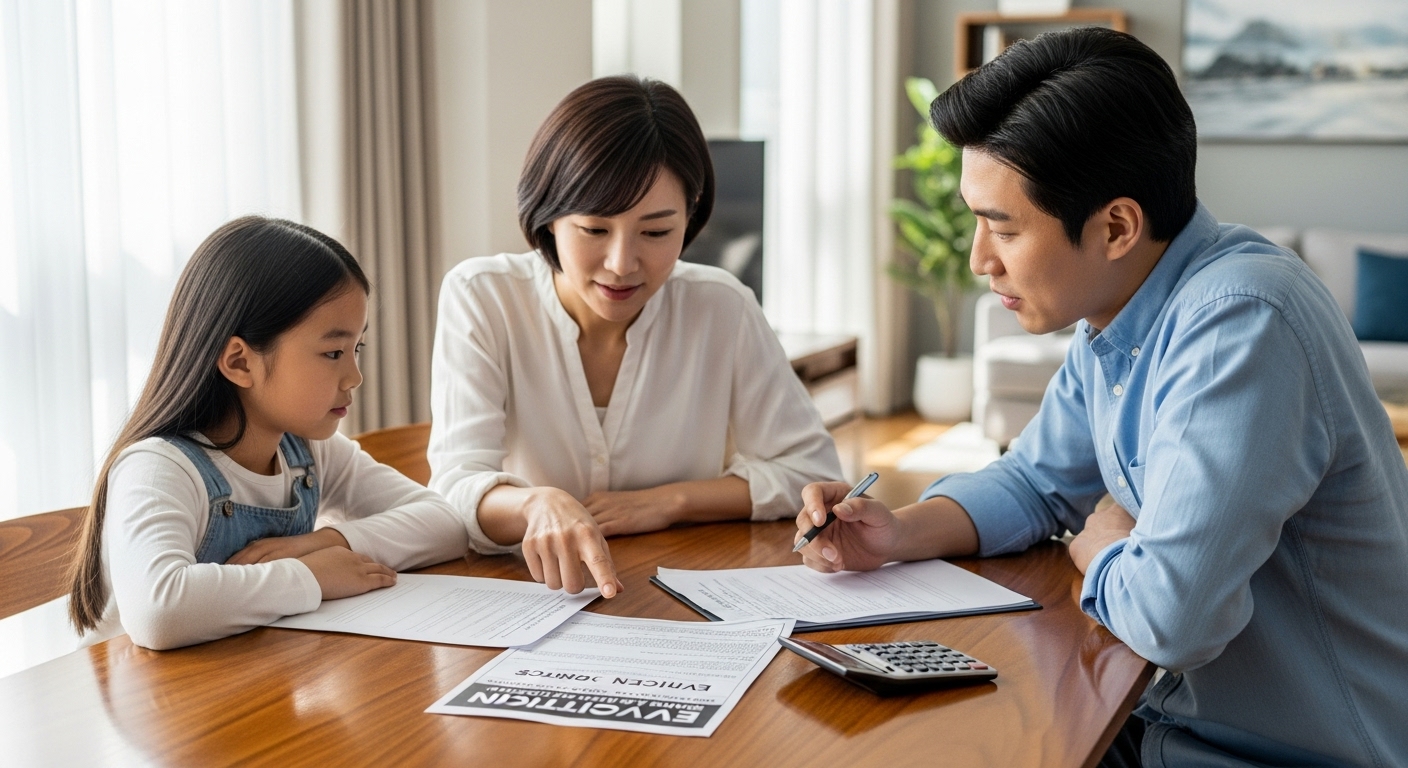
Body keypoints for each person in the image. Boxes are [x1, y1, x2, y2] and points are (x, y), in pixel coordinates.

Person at [793, 28, 1408, 768]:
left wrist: (1106, 548)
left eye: (1002, 227)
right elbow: (1037, 481)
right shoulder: (1118, 318)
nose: (978, 259)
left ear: (1116, 226)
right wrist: (898, 533)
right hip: (1161, 722)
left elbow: (1173, 617)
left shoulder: (1241, 321)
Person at [430, 76, 841, 600]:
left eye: (655, 232)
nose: (622, 265)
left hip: (679, 589)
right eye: (594, 230)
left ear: (690, 217)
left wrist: (669, 501)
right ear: (549, 216)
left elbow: (810, 471)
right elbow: (456, 484)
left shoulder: (722, 306)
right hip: (527, 595)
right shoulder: (484, 296)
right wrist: (537, 503)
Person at [69, 217, 478, 651]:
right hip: (140, 704)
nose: (355, 376)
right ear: (240, 362)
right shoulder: (159, 468)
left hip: (241, 685)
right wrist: (314, 575)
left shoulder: (308, 453)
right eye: (333, 352)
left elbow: (446, 524)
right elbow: (160, 611)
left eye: (356, 349)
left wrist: (322, 542)